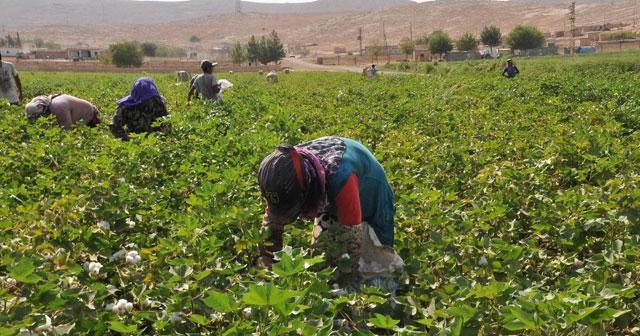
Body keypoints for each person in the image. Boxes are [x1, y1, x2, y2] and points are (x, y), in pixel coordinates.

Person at [257, 136, 404, 291]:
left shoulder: (341, 178)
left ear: (307, 189)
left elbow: (351, 245)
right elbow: (272, 222)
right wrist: (266, 262)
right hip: (330, 189)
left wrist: (342, 285)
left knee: (378, 264)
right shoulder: (282, 173)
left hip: (371, 195)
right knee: (321, 259)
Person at [25, 94, 100, 129]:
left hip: (90, 116)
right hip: (77, 116)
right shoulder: (46, 103)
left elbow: (68, 130)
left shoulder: (58, 108)